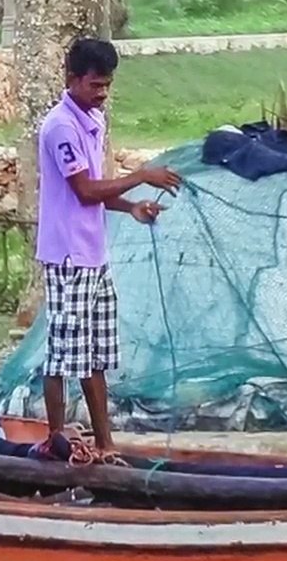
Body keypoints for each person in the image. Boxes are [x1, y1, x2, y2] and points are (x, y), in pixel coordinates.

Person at [36, 37, 182, 455]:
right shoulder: (61, 126)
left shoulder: (91, 120)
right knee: (63, 353)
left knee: (95, 353)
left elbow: (97, 190)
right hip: (67, 255)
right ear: (72, 79)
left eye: (107, 86)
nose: (102, 94)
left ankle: (105, 443)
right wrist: (140, 176)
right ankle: (57, 442)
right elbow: (83, 190)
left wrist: (131, 207)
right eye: (95, 85)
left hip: (94, 253)